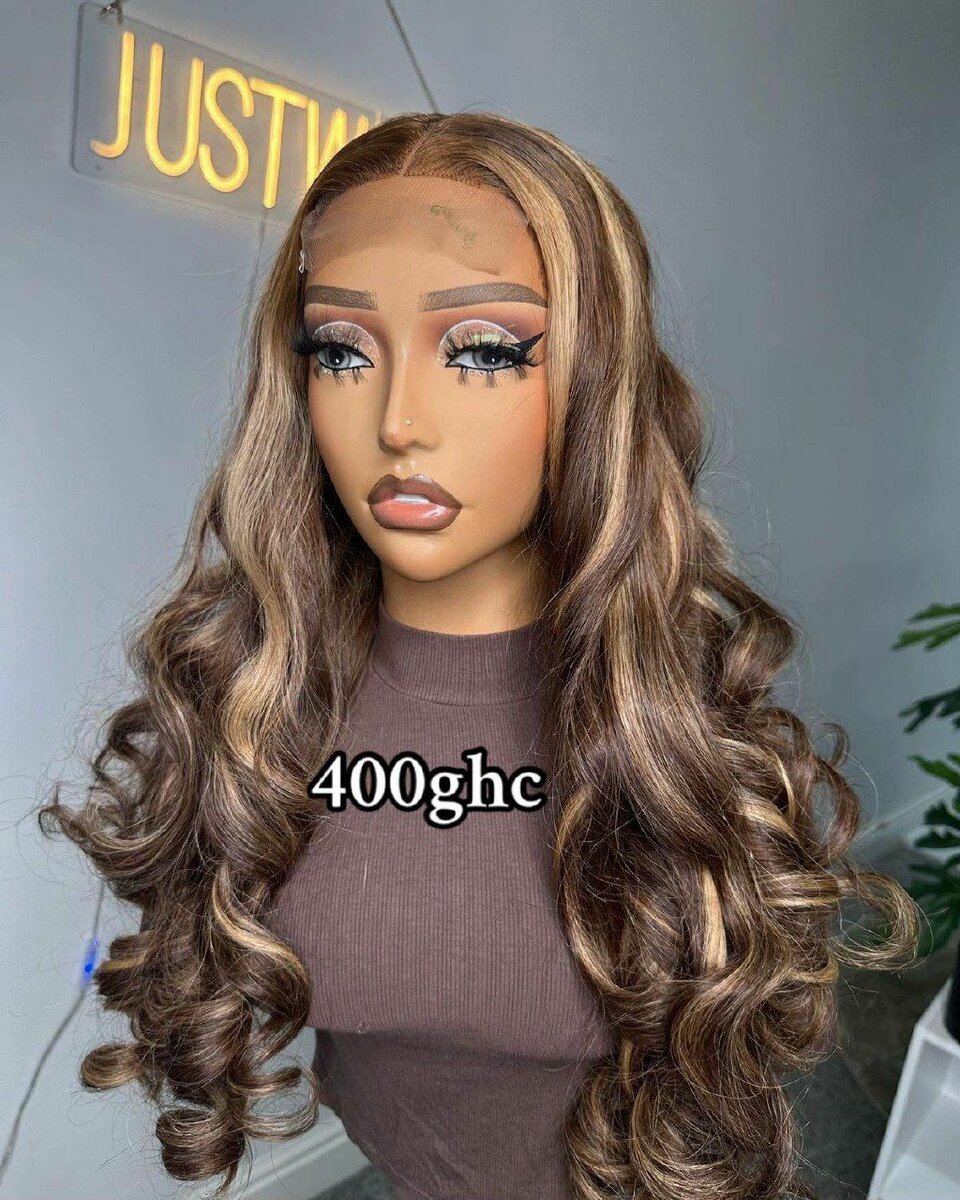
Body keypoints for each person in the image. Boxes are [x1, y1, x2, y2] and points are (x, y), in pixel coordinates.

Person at [39, 111, 920, 1200]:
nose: (399, 421)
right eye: (341, 349)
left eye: (484, 350)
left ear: (593, 376)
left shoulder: (661, 726)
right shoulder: (262, 695)